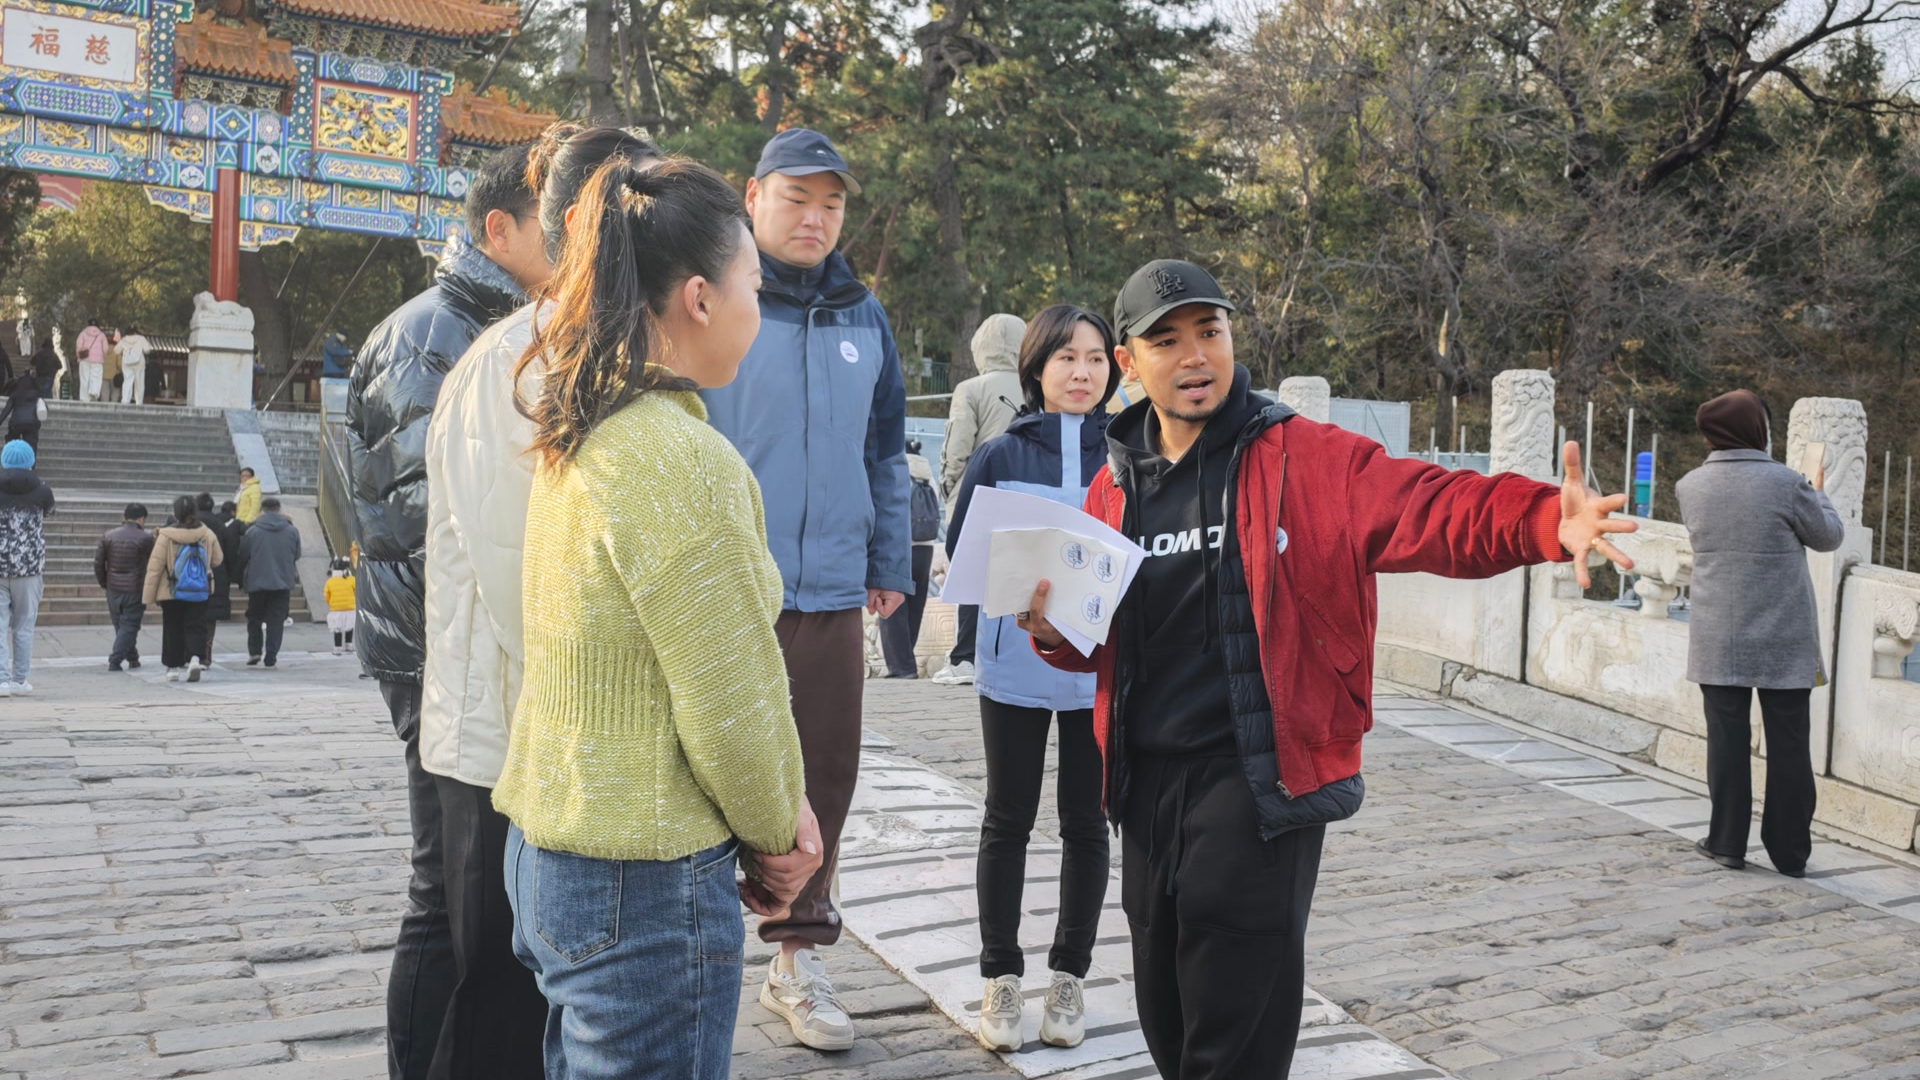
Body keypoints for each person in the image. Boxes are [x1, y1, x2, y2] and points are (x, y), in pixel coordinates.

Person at [1018, 259, 1637, 1079]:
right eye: (1167, 341)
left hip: (1260, 778)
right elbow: (1093, 639)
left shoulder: (1302, 457)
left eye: (1211, 331)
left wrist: (1541, 521)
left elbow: (1430, 505)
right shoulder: (1114, 485)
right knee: (1168, 1012)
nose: (1195, 355)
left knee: (1231, 1024)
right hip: (1144, 783)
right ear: (1130, 365)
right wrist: (1050, 630)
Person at [492, 153, 821, 1080]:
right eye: (754, 281)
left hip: (551, 850)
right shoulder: (684, 461)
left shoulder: (580, 430)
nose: (762, 305)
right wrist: (778, 834)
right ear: (701, 298)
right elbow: (732, 701)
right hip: (641, 880)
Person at [423, 124, 657, 1079]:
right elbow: (531, 579)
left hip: (553, 736)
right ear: (580, 222)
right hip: (508, 738)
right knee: (500, 1003)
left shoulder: (601, 351)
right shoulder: (518, 358)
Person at [697, 127, 912, 1052]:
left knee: (825, 773)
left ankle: (798, 957)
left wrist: (887, 560)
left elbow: (885, 450)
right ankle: (698, 948)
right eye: (797, 198)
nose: (815, 217)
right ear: (754, 197)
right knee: (705, 773)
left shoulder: (866, 315)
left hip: (829, 589)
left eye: (831, 202)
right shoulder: (712, 298)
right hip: (723, 587)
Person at [346, 140, 555, 1080]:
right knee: (447, 891)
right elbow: (443, 517)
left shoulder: (493, 323)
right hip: (438, 649)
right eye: (558, 219)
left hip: (450, 645)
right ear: (497, 229)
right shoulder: (437, 334)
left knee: (464, 890)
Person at [946, 304, 1116, 1051]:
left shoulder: (1132, 454)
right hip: (1014, 662)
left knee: (1086, 822)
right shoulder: (1002, 454)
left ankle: (1070, 977)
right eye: (1066, 359)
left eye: (1096, 359)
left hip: (1101, 673)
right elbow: (963, 550)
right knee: (1007, 818)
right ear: (1037, 370)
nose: (1081, 373)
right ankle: (1000, 977)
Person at [1677, 389, 1845, 878]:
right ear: (1758, 429)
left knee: (1725, 742)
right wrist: (1817, 490)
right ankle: (1790, 853)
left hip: (1717, 634)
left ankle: (1726, 842)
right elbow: (1828, 536)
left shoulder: (1690, 485)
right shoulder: (1787, 484)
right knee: (1789, 743)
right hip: (1783, 635)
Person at [931, 313, 1026, 687]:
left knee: (971, 574)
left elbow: (958, 446)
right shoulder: (1034, 385)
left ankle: (965, 658)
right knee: (1020, 574)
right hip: (1023, 490)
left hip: (977, 491)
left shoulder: (971, 389)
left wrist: (949, 483)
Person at [143, 494, 222, 683]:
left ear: (176, 513)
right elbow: (218, 559)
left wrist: (148, 596)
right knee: (196, 625)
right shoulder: (207, 533)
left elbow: (155, 566)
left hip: (171, 590)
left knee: (173, 627)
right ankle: (195, 658)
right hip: (198, 589)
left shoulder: (166, 535)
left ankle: (173, 668)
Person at [878, 437, 939, 678]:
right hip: (926, 546)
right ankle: (907, 661)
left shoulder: (894, 467)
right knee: (915, 606)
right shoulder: (926, 471)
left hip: (899, 545)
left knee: (891, 607)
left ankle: (901, 667)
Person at [0, 439, 53, 696]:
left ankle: (1, 680)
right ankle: (20, 680)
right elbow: (49, 512)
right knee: (23, 626)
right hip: (29, 568)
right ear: (30, 461)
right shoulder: (43, 491)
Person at [239, 496, 300, 667]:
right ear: (279, 509)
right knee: (276, 620)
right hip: (282, 582)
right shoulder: (292, 531)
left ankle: (255, 651)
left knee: (254, 617)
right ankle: (271, 655)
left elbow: (243, 554)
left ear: (262, 510)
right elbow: (297, 554)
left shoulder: (253, 531)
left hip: (257, 581)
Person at [95, 502, 154, 672]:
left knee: (121, 625)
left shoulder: (108, 536)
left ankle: (133, 657)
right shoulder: (146, 538)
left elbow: (99, 563)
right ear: (141, 519)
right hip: (135, 588)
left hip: (113, 587)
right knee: (129, 625)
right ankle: (115, 660)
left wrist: (104, 582)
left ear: (125, 517)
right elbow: (154, 562)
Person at [194, 493, 239, 663]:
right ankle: (206, 655)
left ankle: (190, 654)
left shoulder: (188, 523)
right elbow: (231, 552)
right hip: (216, 576)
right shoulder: (220, 526)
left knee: (191, 617)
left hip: (190, 575)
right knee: (210, 619)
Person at [3, 373, 45, 451]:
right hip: (32, 424)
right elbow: (44, 409)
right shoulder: (37, 395)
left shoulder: (15, 394)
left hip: (16, 423)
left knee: (12, 444)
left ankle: (13, 459)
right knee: (31, 446)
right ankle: (30, 461)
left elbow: (6, 410)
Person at [325, 557, 356, 656]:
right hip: (350, 607)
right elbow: (357, 591)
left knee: (337, 628)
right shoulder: (352, 579)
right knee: (349, 627)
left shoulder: (330, 581)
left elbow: (326, 595)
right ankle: (349, 645)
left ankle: (337, 648)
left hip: (336, 609)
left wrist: (331, 603)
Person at [73, 318, 107, 402]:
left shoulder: (83, 334)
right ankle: (94, 392)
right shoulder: (101, 335)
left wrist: (79, 355)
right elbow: (105, 348)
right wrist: (102, 356)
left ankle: (84, 397)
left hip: (84, 359)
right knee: (96, 377)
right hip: (97, 360)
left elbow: (78, 346)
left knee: (84, 378)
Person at [117, 325, 151, 405]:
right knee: (139, 382)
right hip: (139, 362)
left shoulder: (123, 339)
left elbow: (117, 350)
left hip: (126, 363)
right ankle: (139, 401)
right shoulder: (141, 338)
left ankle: (125, 400)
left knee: (127, 381)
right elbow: (147, 350)